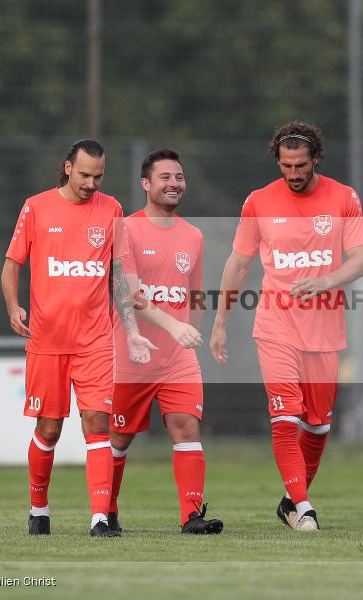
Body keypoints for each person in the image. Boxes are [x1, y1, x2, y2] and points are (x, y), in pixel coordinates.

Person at [209, 121, 363, 532]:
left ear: (315, 159)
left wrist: (324, 281)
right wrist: (221, 321)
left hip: (324, 331)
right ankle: (304, 507)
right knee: (285, 418)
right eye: (286, 166)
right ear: (277, 162)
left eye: (301, 165)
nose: (294, 174)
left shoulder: (343, 197)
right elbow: (239, 263)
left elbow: (361, 259)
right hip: (275, 326)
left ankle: (290, 502)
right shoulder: (259, 201)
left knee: (317, 426)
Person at [2, 139, 128, 537]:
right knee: (49, 429)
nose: (92, 183)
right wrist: (13, 307)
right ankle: (39, 509)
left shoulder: (111, 210)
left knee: (97, 423)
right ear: (68, 167)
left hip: (95, 341)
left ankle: (100, 518)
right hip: (48, 342)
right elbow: (10, 266)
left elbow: (122, 272)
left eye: (99, 176)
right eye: (85, 174)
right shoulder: (36, 206)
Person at [109, 148, 223, 534]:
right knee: (119, 437)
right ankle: (105, 510)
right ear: (146, 184)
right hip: (133, 353)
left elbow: (195, 294)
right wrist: (172, 328)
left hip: (177, 358)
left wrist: (191, 334)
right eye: (165, 177)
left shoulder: (193, 235)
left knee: (186, 428)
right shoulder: (126, 228)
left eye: (179, 177)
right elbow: (130, 295)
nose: (174, 183)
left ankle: (192, 517)